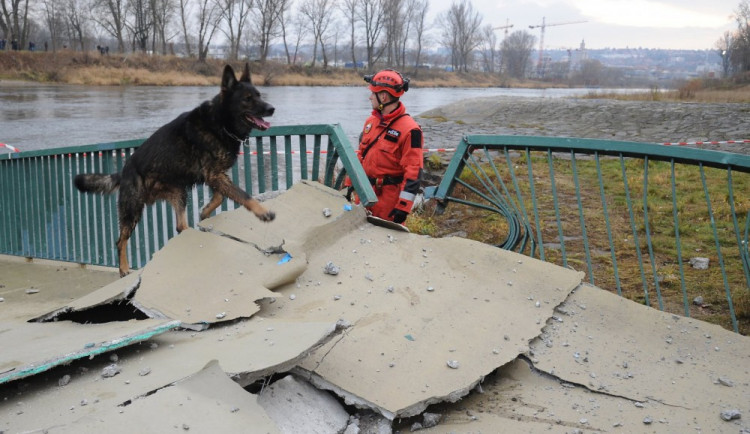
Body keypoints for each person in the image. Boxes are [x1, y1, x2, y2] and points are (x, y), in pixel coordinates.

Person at [354, 68, 424, 224]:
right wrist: (349, 186)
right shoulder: (370, 123)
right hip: (364, 196)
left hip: (388, 203)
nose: (370, 97)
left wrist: (403, 208)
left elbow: (413, 172)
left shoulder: (411, 130)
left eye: (373, 93)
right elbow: (360, 157)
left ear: (383, 97)